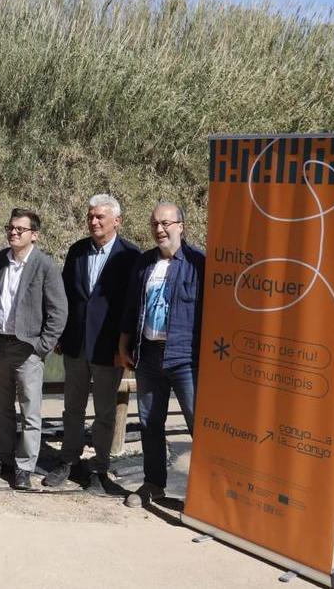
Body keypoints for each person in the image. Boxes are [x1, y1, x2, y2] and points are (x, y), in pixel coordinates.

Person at [42, 195, 140, 489]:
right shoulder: (77, 251)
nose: (93, 221)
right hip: (75, 344)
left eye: (100, 217)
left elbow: (131, 307)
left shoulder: (130, 256)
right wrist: (60, 334)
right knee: (72, 407)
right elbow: (66, 299)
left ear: (116, 221)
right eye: (90, 216)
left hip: (108, 349)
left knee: (105, 411)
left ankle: (99, 466)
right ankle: (69, 460)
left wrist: (122, 348)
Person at [117, 202, 205, 508]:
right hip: (148, 356)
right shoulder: (144, 264)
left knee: (199, 425)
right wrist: (124, 344)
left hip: (186, 358)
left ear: (181, 225)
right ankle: (153, 484)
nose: (159, 229)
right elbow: (130, 308)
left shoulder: (200, 264)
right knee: (149, 422)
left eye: (166, 223)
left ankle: (206, 493)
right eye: (154, 224)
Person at [0, 208, 67, 490]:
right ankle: (4, 458)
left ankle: (25, 466)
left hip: (27, 348)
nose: (13, 232)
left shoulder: (45, 265)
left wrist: (42, 346)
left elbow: (59, 311)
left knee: (30, 412)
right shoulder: (0, 260)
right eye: (11, 228)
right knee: (2, 409)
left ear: (34, 235)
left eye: (20, 229)